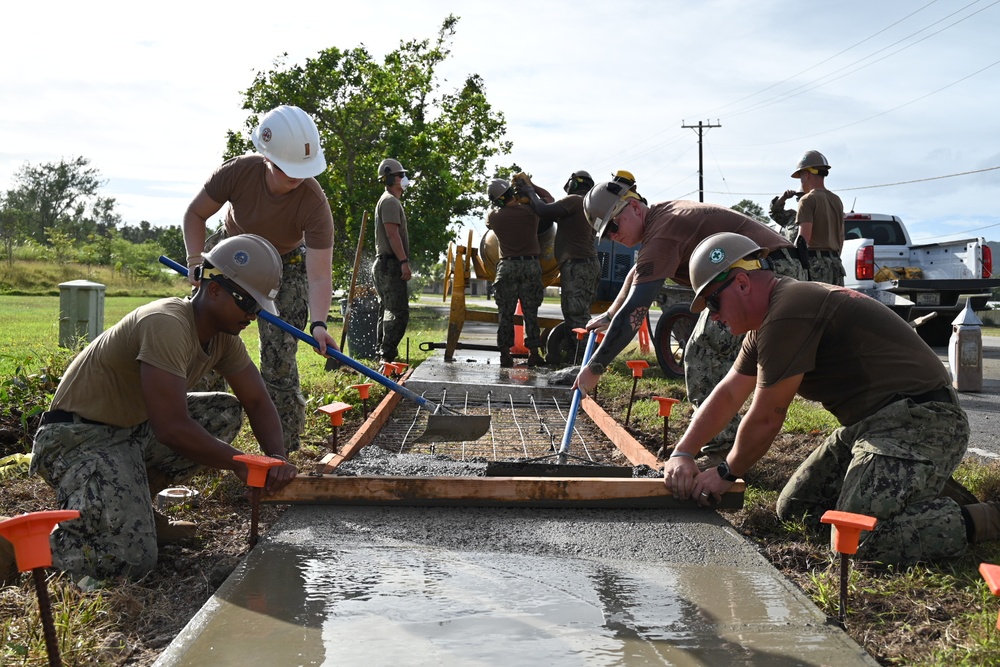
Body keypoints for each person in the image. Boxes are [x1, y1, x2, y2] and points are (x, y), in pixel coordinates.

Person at [662, 231, 1000, 565]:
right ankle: (919, 487)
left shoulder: (789, 312)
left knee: (858, 540)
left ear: (742, 284)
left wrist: (725, 472)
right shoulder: (769, 322)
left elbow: (767, 416)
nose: (714, 315)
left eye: (713, 302)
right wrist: (683, 452)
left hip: (923, 421)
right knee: (797, 509)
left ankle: (989, 516)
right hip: (872, 426)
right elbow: (729, 392)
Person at [4, 235, 298, 583]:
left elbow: (257, 400)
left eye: (258, 307)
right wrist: (239, 464)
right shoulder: (167, 323)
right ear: (214, 288)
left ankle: (135, 507)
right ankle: (20, 545)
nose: (253, 314)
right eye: (247, 302)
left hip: (126, 433)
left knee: (223, 411)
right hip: (75, 438)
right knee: (131, 559)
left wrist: (276, 460)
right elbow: (171, 429)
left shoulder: (224, 339)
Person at [574, 180, 808, 460]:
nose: (612, 236)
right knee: (711, 352)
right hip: (762, 269)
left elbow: (637, 306)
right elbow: (637, 272)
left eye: (612, 226)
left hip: (768, 269)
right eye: (606, 234)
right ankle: (716, 440)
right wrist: (610, 314)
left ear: (634, 207)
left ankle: (720, 449)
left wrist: (595, 367)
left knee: (703, 351)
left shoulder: (664, 230)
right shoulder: (661, 221)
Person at [182, 104, 336, 453]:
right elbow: (196, 214)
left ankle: (282, 451)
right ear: (268, 158)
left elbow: (319, 274)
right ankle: (199, 441)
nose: (296, 177)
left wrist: (319, 323)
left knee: (279, 359)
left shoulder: (313, 202)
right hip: (230, 258)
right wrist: (194, 260)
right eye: (287, 169)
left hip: (286, 265)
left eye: (304, 170)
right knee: (207, 345)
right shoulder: (238, 172)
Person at [516, 170, 600, 366]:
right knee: (573, 313)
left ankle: (583, 362)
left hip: (579, 265)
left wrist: (529, 192)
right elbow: (550, 202)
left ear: (574, 184)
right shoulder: (585, 204)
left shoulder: (575, 200)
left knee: (577, 314)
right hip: (582, 265)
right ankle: (576, 358)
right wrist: (532, 187)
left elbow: (543, 210)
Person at [486, 178, 545, 368]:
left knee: (505, 313)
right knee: (531, 313)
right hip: (530, 265)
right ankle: (534, 354)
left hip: (507, 266)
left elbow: (490, 220)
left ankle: (505, 354)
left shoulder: (494, 216)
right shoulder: (531, 211)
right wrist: (529, 189)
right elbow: (548, 200)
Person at [372, 158, 412, 364]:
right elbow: (392, 234)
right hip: (390, 264)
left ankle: (382, 355)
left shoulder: (389, 200)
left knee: (386, 310)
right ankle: (386, 356)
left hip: (386, 263)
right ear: (389, 178)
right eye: (400, 175)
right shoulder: (389, 201)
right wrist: (403, 261)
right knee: (398, 312)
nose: (404, 178)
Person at [791, 150, 845, 285]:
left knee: (814, 306)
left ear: (807, 174)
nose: (801, 181)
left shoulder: (807, 200)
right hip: (836, 264)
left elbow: (803, 240)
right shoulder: (836, 200)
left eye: (801, 176)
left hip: (816, 267)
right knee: (835, 306)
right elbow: (841, 237)